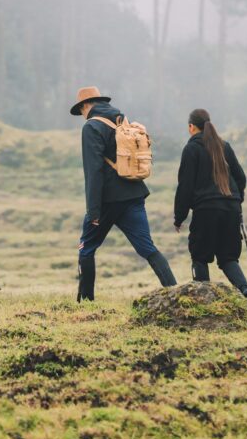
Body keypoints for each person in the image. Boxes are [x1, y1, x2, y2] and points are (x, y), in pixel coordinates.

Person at [71, 86, 177, 301]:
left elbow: (94, 171)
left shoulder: (92, 127)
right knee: (147, 247)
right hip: (133, 193)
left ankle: (86, 302)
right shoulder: (122, 120)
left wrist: (93, 211)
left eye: (81, 110)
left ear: (85, 106)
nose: (82, 115)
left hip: (108, 199)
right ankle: (174, 293)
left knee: (87, 247)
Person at [173, 109, 247, 299]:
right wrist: (236, 199)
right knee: (228, 258)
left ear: (191, 127)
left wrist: (179, 217)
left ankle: (204, 299)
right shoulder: (224, 146)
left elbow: (185, 186)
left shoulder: (192, 149)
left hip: (206, 210)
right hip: (231, 209)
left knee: (200, 256)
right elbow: (240, 178)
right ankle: (244, 290)